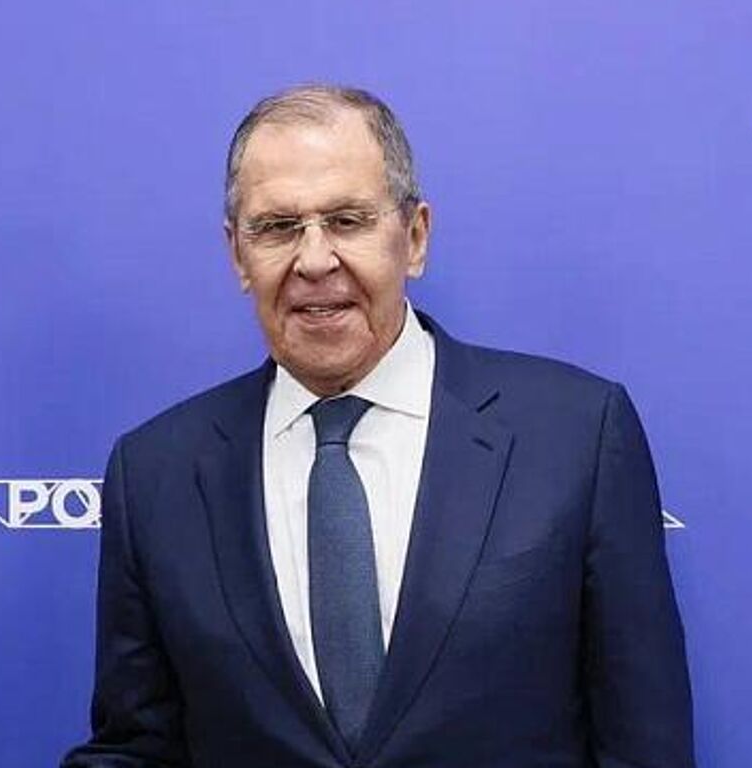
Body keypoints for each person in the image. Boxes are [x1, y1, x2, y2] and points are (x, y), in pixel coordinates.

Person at [64, 85, 693, 767]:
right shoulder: (155, 473)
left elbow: (644, 745)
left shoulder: (577, 437)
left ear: (414, 237)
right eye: (276, 228)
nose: (313, 261)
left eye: (347, 220)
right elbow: (137, 748)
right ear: (237, 255)